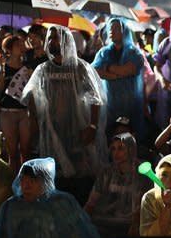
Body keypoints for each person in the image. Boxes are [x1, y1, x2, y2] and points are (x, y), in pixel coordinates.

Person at [22, 25, 107, 199]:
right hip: (52, 132)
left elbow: (95, 98)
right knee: (55, 176)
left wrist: (92, 126)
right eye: (50, 38)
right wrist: (34, 127)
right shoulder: (43, 69)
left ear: (66, 41)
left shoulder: (80, 68)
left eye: (55, 38)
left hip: (78, 129)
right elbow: (30, 97)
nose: (51, 41)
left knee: (80, 175)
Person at [84, 133, 150, 238]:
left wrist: (136, 224)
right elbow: (91, 202)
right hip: (104, 221)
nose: (116, 153)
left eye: (121, 148)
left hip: (130, 223)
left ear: (131, 149)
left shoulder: (142, 172)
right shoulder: (106, 172)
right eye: (113, 149)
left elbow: (143, 205)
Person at [91, 18, 147, 139]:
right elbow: (94, 71)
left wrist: (108, 68)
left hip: (132, 104)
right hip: (110, 105)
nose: (112, 30)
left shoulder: (134, 52)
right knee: (111, 136)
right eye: (110, 27)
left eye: (116, 28)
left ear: (124, 31)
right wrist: (118, 74)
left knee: (131, 136)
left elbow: (130, 69)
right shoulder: (104, 52)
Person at [0, 35, 34, 173]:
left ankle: (25, 177)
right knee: (12, 152)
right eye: (18, 44)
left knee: (25, 149)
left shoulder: (27, 67)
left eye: (22, 44)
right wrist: (1, 67)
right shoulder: (2, 66)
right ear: (9, 49)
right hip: (7, 111)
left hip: (24, 111)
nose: (21, 46)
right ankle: (12, 181)